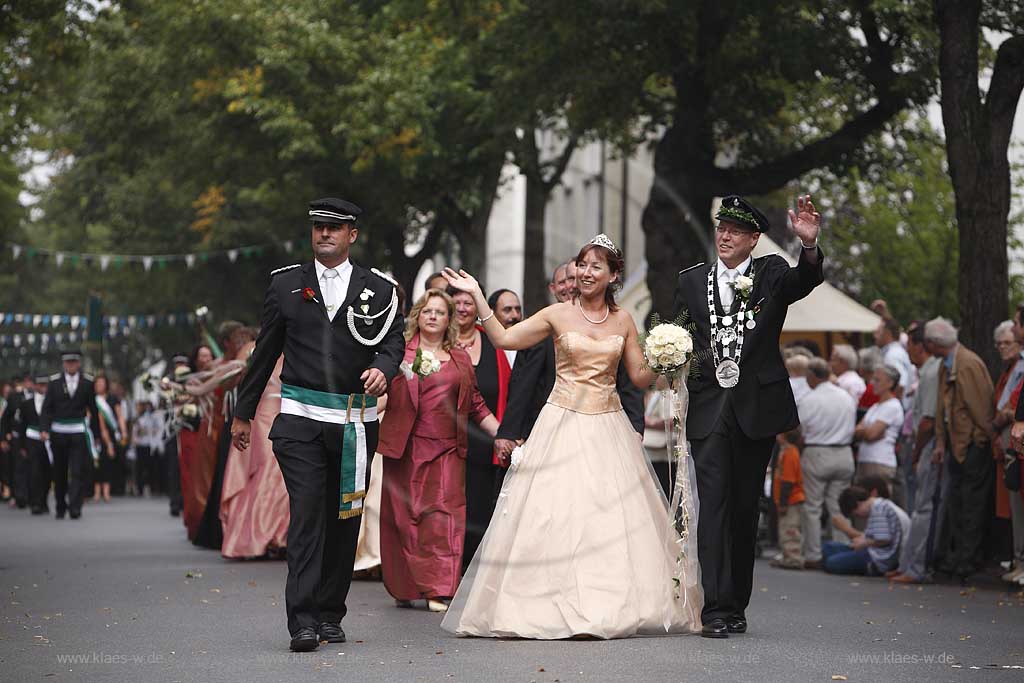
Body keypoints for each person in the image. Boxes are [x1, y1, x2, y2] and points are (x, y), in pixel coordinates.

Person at [440, 234, 702, 639]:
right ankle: (545, 602)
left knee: (606, 517)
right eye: (582, 264)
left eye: (596, 266)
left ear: (614, 276)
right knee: (554, 514)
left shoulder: (624, 321)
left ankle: (606, 604)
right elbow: (507, 339)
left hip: (608, 424)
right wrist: (476, 295)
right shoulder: (557, 314)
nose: (585, 272)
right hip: (561, 421)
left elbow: (637, 376)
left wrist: (667, 359)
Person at [231, 197, 405, 653]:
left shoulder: (382, 290)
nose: (324, 234)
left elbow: (394, 345)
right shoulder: (286, 285)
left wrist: (384, 371)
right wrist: (242, 413)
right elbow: (264, 352)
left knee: (344, 519)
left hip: (354, 425)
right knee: (308, 515)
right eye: (318, 227)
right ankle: (303, 620)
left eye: (334, 227)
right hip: (301, 421)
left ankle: (330, 613)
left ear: (352, 235)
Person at [672, 194, 824, 638]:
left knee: (743, 510)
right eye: (721, 227)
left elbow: (804, 280)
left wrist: (809, 246)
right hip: (708, 410)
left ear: (754, 238)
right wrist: (669, 356)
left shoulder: (772, 272)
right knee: (713, 507)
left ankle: (736, 604)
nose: (724, 235)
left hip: (755, 410)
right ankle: (715, 610)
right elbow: (677, 330)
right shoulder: (691, 279)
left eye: (735, 231)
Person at [377, 290, 499, 611]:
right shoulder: (399, 353)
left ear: (449, 320)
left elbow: (475, 404)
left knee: (445, 517)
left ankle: (438, 588)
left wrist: (502, 434)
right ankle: (407, 585)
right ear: (418, 315)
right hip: (407, 448)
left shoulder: (459, 358)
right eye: (427, 311)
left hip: (447, 449)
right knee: (407, 517)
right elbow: (381, 392)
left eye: (440, 312)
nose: (433, 316)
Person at [495, 260, 645, 459]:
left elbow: (627, 380)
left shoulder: (615, 322)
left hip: (604, 426)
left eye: (573, 280)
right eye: (563, 281)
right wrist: (510, 431)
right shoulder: (544, 321)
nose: (569, 286)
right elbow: (523, 382)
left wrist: (635, 426)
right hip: (548, 427)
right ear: (553, 288)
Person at [451, 286, 521, 571]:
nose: (464, 308)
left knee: (479, 508)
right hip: (447, 438)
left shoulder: (492, 342)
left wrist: (504, 434)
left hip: (484, 441)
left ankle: (471, 571)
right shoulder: (438, 342)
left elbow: (508, 389)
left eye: (469, 302)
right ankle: (444, 572)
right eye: (457, 302)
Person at [928, 317, 995, 581]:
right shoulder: (948, 364)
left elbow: (981, 409)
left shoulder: (967, 364)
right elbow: (943, 407)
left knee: (972, 505)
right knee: (958, 504)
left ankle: (968, 560)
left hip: (971, 446)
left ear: (934, 343)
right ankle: (958, 558)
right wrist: (942, 442)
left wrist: (983, 439)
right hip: (958, 445)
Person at [888, 325, 943, 584]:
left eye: (909, 343)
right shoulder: (925, 371)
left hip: (926, 444)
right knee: (916, 507)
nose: (906, 349)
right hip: (921, 443)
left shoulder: (931, 371)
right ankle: (909, 564)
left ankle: (916, 567)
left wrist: (918, 450)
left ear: (920, 346)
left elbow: (928, 420)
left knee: (922, 508)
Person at [220, 357, 289, 560]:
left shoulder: (304, 340)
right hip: (265, 411)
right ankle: (258, 536)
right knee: (267, 467)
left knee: (283, 473)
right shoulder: (255, 348)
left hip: (289, 408)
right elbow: (231, 377)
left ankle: (281, 535)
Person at [797, 357, 857, 569]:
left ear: (812, 376)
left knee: (812, 507)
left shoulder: (809, 399)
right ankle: (841, 548)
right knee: (838, 505)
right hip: (844, 452)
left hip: (818, 452)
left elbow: (800, 429)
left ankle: (813, 554)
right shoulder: (846, 397)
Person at [40, 350, 96, 519]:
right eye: (68, 362)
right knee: (60, 472)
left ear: (78, 363)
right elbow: (46, 408)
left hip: (78, 431)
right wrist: (44, 428)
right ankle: (60, 505)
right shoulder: (55, 382)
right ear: (64, 364)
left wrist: (98, 435)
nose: (71, 365)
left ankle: (75, 506)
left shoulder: (87, 382)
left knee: (78, 470)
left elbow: (93, 408)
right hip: (59, 432)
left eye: (74, 362)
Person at [823, 485, 909, 575]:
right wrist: (862, 540)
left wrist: (863, 543)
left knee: (832, 562)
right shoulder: (880, 505)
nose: (860, 517)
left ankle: (870, 568)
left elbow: (883, 539)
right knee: (829, 547)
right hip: (874, 552)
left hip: (878, 558)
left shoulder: (878, 509)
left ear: (858, 504)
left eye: (856, 514)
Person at [853, 364, 905, 507]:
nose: (872, 383)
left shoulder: (892, 406)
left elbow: (870, 434)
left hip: (880, 461)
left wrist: (866, 432)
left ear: (890, 383)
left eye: (877, 380)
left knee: (877, 506)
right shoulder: (875, 407)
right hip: (866, 460)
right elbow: (858, 432)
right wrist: (866, 432)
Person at [999, 310, 1024, 584]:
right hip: (1015, 444)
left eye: (1017, 324)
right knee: (1016, 502)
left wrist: (1010, 415)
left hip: (1019, 440)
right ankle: (1020, 560)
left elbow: (1012, 406)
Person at [770, 429, 805, 570]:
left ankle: (794, 558)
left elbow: (788, 481)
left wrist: (783, 502)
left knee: (790, 530)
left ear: (784, 436)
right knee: (784, 529)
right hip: (789, 500)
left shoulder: (790, 453)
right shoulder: (787, 451)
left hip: (791, 500)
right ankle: (787, 555)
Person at [16, 375, 52, 514]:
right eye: (40, 385)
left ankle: (44, 501)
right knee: (34, 472)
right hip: (31, 439)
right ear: (35, 386)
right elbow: (21, 426)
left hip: (48, 441)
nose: (43, 387)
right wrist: (22, 446)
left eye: (45, 385)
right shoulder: (27, 403)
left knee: (47, 473)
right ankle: (35, 503)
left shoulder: (53, 403)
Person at [874, 317, 913, 401]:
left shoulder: (892, 355)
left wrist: (891, 403)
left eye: (878, 332)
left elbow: (902, 383)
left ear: (887, 334)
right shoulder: (897, 351)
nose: (875, 335)